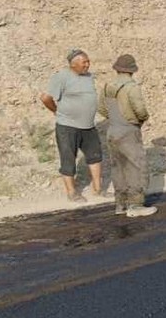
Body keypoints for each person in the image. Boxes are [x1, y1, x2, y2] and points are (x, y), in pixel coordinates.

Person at [39, 49, 104, 203]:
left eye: (88, 61)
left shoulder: (88, 76)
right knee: (68, 158)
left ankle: (98, 189)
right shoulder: (61, 77)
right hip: (67, 126)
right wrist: (56, 111)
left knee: (95, 156)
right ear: (73, 65)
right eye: (84, 62)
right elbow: (46, 98)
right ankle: (72, 192)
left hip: (88, 125)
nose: (88, 65)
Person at [97, 54, 157, 217]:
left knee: (118, 167)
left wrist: (115, 120)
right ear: (131, 70)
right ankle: (136, 205)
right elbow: (140, 110)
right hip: (128, 131)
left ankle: (120, 204)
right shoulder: (132, 87)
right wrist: (140, 120)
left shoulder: (108, 85)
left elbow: (101, 108)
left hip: (112, 130)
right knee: (136, 167)